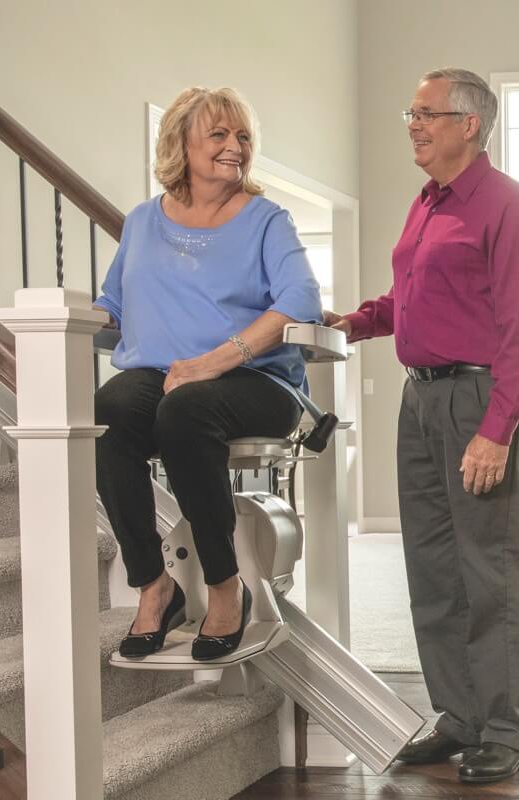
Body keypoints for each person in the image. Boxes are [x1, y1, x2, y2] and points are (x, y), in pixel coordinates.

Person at [326, 68, 519, 783]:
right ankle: (459, 716)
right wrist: (354, 322)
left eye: (427, 114)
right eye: (411, 113)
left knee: (491, 572)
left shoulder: (508, 207)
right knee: (430, 565)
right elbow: (411, 297)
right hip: (419, 400)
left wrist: (496, 428)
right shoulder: (428, 203)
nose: (414, 125)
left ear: (470, 124)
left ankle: (506, 727)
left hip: (480, 399)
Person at [93, 87, 322, 662]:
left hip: (259, 381)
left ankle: (225, 586)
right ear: (181, 144)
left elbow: (301, 300)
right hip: (167, 375)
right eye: (218, 135)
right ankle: (154, 585)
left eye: (242, 136)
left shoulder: (267, 219)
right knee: (112, 410)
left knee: (185, 409)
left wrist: (213, 361)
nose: (234, 147)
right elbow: (113, 304)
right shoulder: (143, 221)